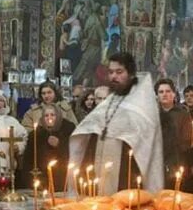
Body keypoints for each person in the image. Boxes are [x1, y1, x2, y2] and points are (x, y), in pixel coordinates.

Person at [70, 52, 164, 194]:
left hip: (126, 169)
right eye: (111, 72)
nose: (114, 76)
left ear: (131, 74)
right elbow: (93, 126)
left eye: (119, 72)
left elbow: (146, 143)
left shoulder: (141, 104)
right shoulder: (110, 99)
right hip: (100, 164)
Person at [22, 104, 76, 187]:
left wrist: (60, 144)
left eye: (52, 115)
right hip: (43, 177)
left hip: (63, 176)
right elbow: (29, 158)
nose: (49, 118)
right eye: (46, 115)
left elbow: (74, 152)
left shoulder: (68, 130)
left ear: (58, 116)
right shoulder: (36, 134)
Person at [155, 78, 192, 183]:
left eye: (168, 91)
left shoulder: (182, 113)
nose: (164, 94)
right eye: (161, 92)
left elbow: (187, 140)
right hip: (157, 162)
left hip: (177, 161)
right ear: (157, 95)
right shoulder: (153, 114)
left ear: (174, 94)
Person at [0, 89, 27, 177]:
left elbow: (23, 136)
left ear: (5, 104)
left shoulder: (11, 121)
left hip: (8, 160)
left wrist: (18, 147)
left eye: (1, 100)